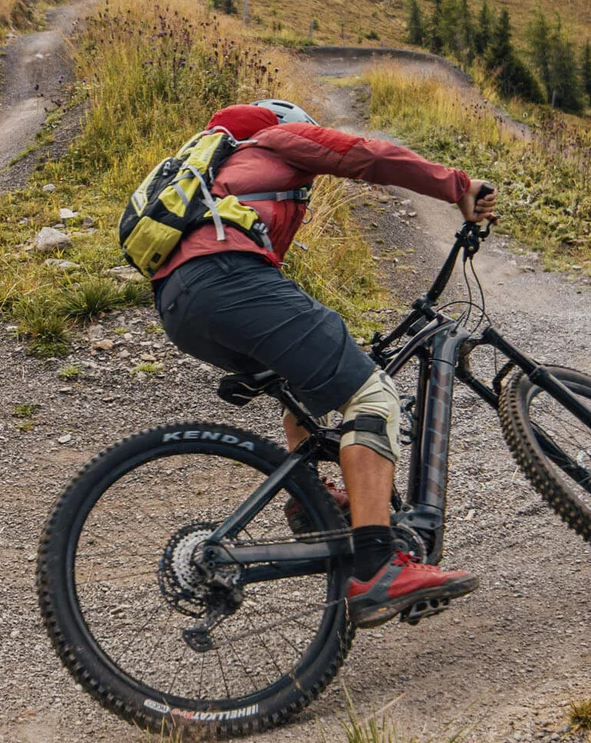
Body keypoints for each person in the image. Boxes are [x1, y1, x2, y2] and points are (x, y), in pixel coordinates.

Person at [151, 99, 497, 628]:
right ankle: (377, 566)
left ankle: (306, 500)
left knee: (306, 374)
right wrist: (457, 187)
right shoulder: (274, 141)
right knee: (372, 395)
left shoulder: (217, 178)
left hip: (179, 304)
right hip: (224, 279)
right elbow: (364, 155)